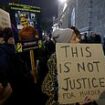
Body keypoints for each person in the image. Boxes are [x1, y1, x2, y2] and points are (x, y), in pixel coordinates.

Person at [41, 28, 98, 105]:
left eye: (77, 37)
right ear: (66, 44)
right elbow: (46, 87)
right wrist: (73, 97)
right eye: (74, 39)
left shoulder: (83, 57)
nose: (78, 40)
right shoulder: (56, 61)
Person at [0, 27, 37, 105]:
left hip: (20, 85)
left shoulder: (13, 48)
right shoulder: (7, 50)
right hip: (18, 86)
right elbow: (8, 69)